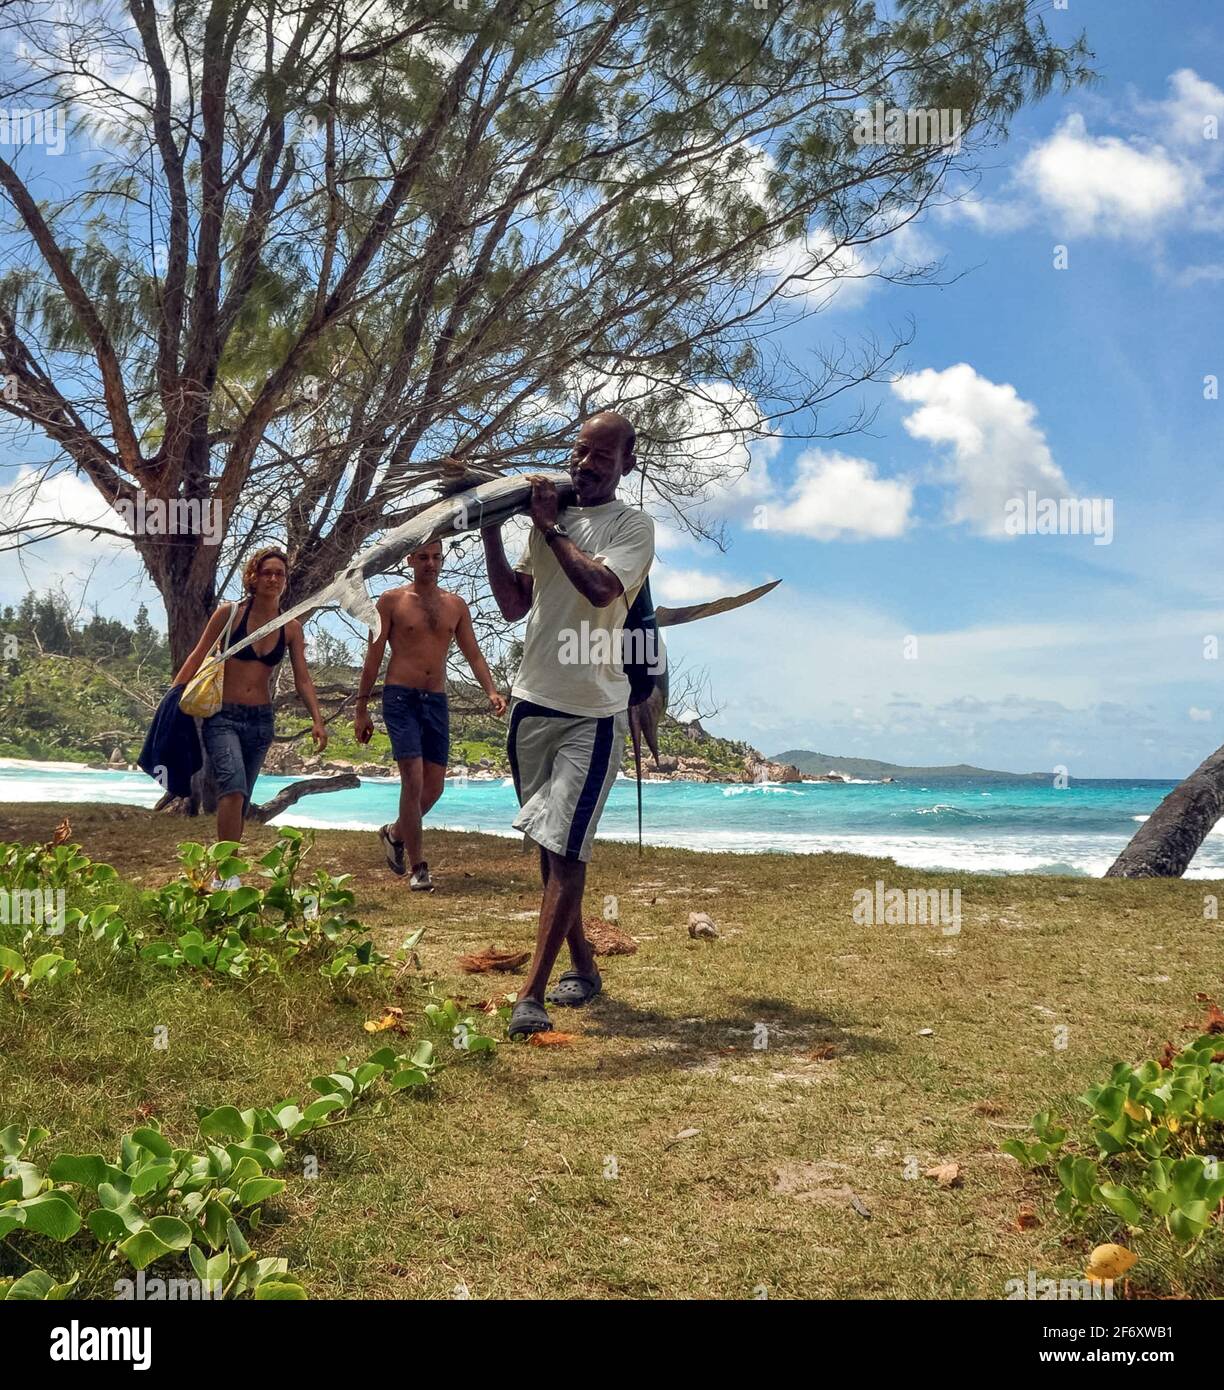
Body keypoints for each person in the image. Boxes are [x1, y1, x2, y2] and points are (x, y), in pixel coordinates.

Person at [481, 411, 654, 1038]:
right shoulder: (544, 523)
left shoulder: (632, 526)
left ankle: (531, 993)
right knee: (550, 845)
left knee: (566, 847)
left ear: (627, 465)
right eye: (579, 452)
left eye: (601, 458)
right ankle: (583, 963)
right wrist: (495, 535)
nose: (584, 464)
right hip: (531, 703)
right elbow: (512, 606)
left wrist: (550, 529)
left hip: (594, 711)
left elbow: (601, 589)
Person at [354, 539, 507, 892]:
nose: (430, 563)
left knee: (434, 787)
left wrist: (491, 690)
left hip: (436, 699)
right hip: (399, 697)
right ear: (410, 559)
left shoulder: (455, 605)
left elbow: (474, 655)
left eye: (436, 557)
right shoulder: (391, 601)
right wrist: (362, 710)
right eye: (423, 557)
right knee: (413, 779)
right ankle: (418, 866)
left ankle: (394, 834)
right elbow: (373, 658)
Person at [173, 547, 328, 872]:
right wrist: (174, 695)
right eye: (267, 572)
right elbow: (198, 653)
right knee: (233, 789)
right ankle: (226, 872)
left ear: (284, 581)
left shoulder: (290, 628)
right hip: (222, 717)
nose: (273, 579)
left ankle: (226, 868)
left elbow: (303, 679)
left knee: (241, 797)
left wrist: (317, 719)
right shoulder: (230, 614)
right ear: (253, 577)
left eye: (279, 574)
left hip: (260, 723)